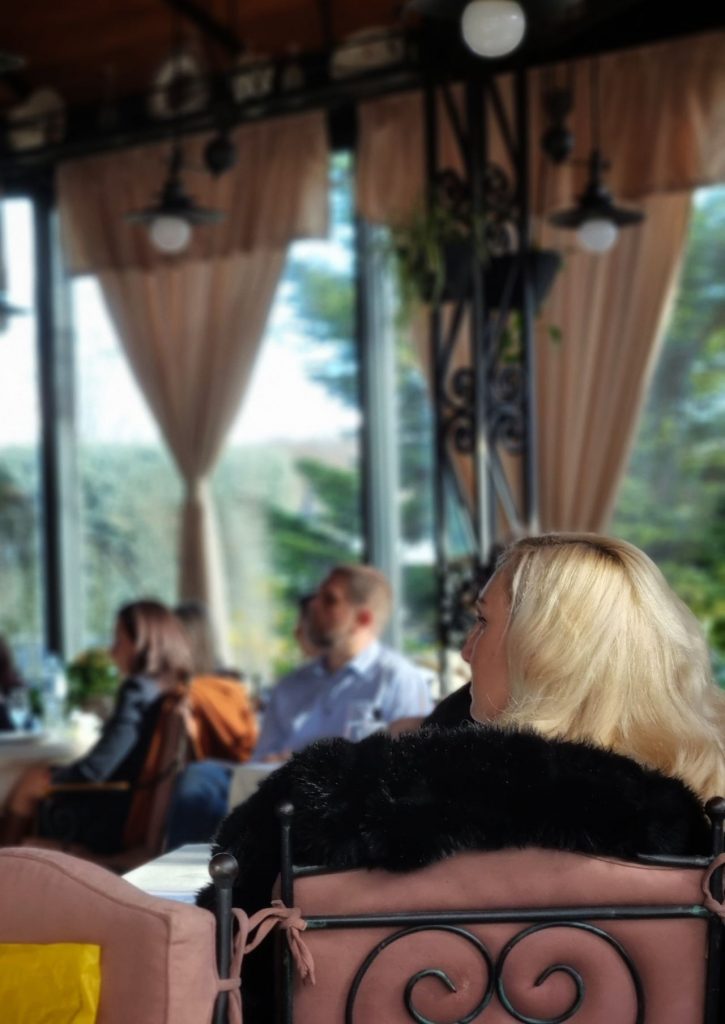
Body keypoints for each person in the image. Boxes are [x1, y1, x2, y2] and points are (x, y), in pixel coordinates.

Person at [197, 533, 725, 1024]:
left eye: (483, 622)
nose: (467, 650)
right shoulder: (691, 824)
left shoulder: (341, 805)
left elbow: (230, 962)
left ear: (542, 649)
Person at [164, 569, 432, 847]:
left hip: (339, 801)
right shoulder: (291, 686)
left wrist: (304, 760)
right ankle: (190, 872)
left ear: (362, 618)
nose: (313, 604)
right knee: (202, 778)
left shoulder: (397, 679)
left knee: (206, 785)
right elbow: (260, 761)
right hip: (273, 791)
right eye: (317, 596)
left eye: (329, 600)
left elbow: (402, 773)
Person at [0, 600, 192, 851]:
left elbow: (96, 769)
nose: (111, 651)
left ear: (141, 644)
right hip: (129, 805)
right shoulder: (163, 689)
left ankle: (8, 861)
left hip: (110, 817)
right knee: (34, 779)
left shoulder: (137, 691)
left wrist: (51, 777)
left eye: (118, 641)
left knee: (31, 781)